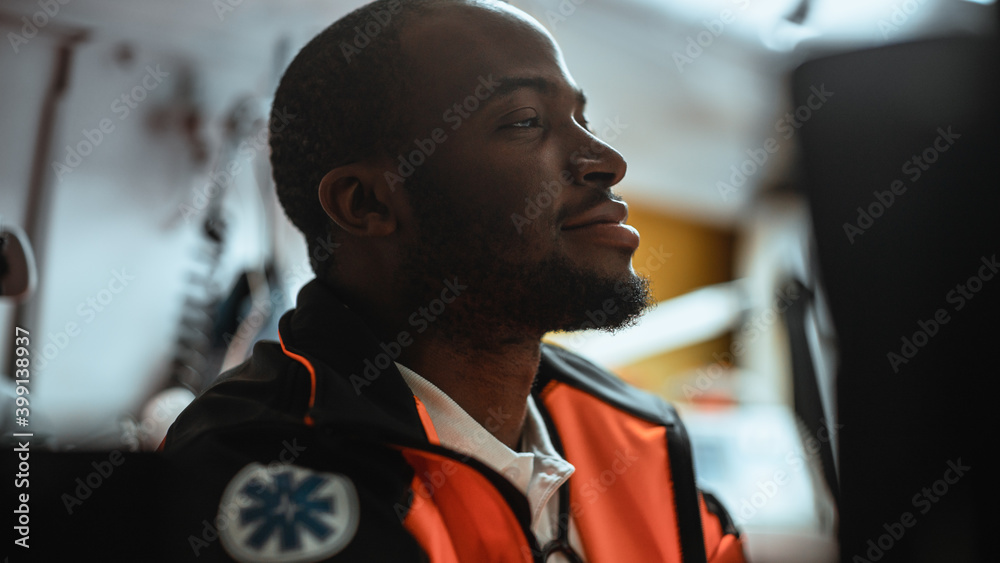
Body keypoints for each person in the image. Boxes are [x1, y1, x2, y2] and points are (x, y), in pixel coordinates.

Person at [163, 1, 746, 561]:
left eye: (582, 120)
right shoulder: (248, 467)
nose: (607, 160)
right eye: (525, 121)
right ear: (367, 203)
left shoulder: (637, 432)